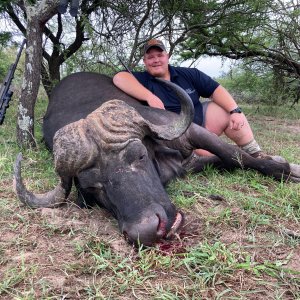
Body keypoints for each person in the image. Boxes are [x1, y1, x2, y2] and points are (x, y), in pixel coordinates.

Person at [113, 39, 267, 158]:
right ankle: (234, 156)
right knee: (217, 156)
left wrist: (236, 111)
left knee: (226, 110)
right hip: (177, 135)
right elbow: (120, 77)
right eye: (150, 57)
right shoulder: (141, 79)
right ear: (145, 62)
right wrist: (149, 97)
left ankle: (254, 152)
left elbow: (216, 90)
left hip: (201, 122)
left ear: (167, 57)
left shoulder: (189, 74)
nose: (156, 60)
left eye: (160, 55)